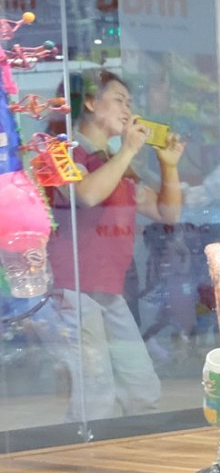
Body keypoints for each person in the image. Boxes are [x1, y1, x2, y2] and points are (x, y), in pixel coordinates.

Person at [48, 70, 183, 421]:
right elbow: (87, 195)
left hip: (109, 290)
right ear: (90, 103)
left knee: (142, 388)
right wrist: (128, 150)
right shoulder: (60, 150)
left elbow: (166, 212)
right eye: (119, 100)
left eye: (130, 102)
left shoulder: (116, 160)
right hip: (72, 289)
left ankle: (140, 446)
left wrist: (168, 166)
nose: (128, 110)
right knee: (95, 393)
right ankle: (86, 453)